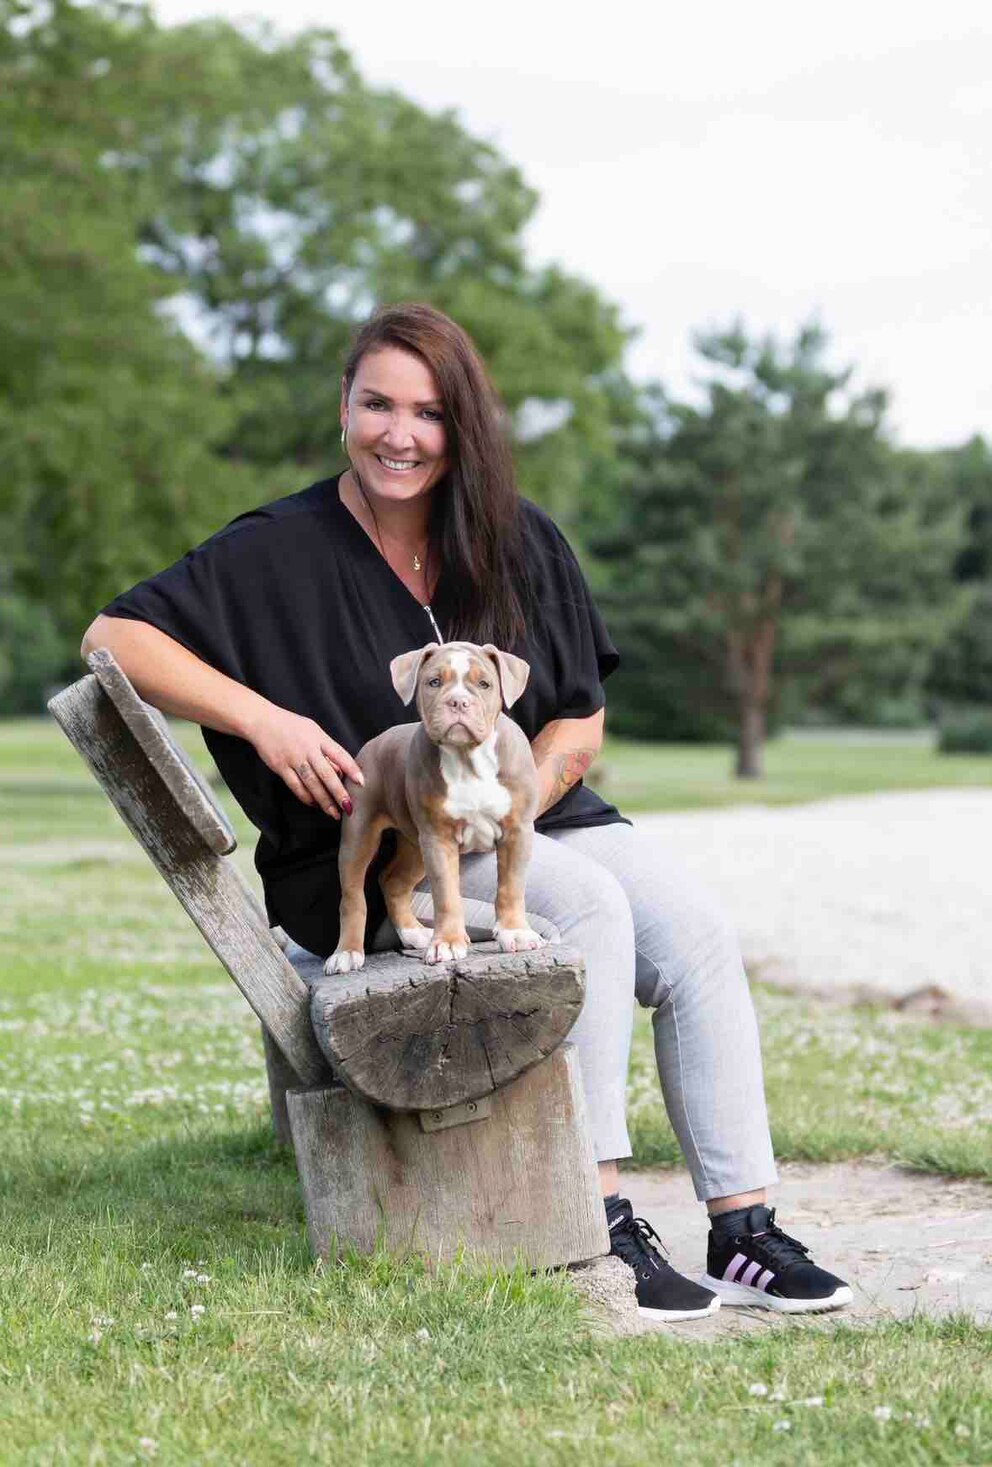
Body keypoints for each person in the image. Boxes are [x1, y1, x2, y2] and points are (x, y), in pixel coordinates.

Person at [82, 302, 851, 1322]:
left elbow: (577, 725)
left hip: (530, 818)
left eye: (428, 413)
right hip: (385, 846)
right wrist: (263, 720)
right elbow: (112, 636)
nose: (399, 434)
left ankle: (744, 1230)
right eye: (376, 405)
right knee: (583, 909)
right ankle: (598, 1216)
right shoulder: (272, 551)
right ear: (344, 408)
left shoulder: (515, 538)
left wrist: (511, 803)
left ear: (464, 425)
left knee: (697, 935)